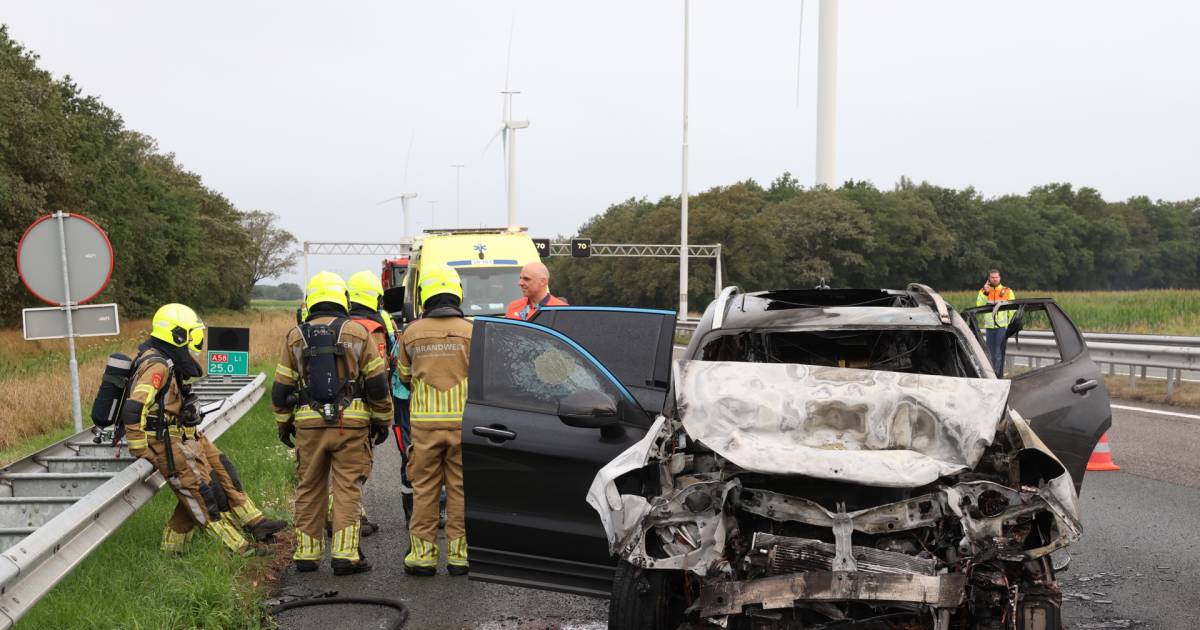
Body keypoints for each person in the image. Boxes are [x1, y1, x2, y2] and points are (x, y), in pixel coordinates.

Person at [123, 303, 285, 555]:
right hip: (167, 442)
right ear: (177, 335)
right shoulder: (158, 366)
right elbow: (135, 407)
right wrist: (140, 448)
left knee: (222, 471)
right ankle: (239, 548)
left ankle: (254, 524)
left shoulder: (167, 360)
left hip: (185, 435)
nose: (195, 340)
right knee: (200, 494)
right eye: (191, 334)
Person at [272, 271, 393, 575]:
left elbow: (281, 388)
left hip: (308, 426)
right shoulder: (357, 333)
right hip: (351, 425)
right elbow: (377, 384)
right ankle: (345, 555)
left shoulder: (295, 336)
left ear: (311, 300)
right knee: (347, 487)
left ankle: (306, 555)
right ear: (343, 298)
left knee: (309, 487)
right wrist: (382, 420)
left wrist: (283, 424)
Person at [399, 266, 472, 576]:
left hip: (425, 427)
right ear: (458, 293)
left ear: (423, 296)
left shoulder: (411, 332)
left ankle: (422, 557)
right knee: (460, 490)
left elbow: (403, 376)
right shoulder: (473, 329)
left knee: (425, 489)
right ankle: (459, 557)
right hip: (464, 425)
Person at [976, 268, 1016, 377]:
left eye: (996, 277)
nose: (994, 279)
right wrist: (985, 293)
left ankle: (998, 375)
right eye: (992, 277)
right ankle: (991, 375)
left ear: (1000, 278)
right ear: (989, 278)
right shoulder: (983, 291)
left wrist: (1010, 324)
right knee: (990, 353)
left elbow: (1013, 309)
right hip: (989, 327)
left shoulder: (1007, 291)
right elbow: (979, 306)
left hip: (1002, 327)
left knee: (998, 353)